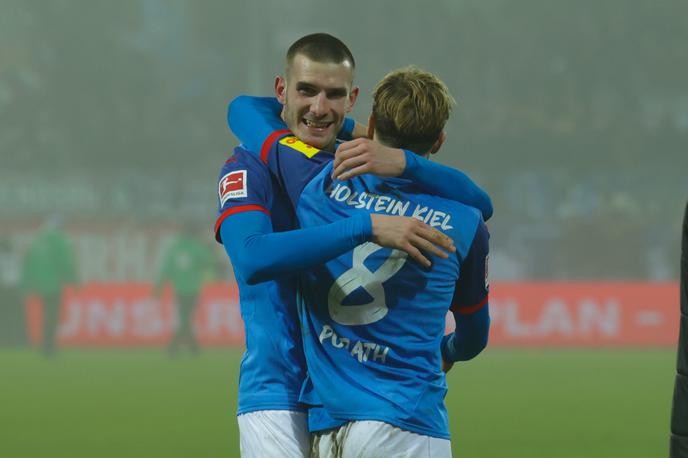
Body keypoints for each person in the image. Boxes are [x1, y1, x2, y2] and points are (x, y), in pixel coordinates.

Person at [217, 33, 491, 457]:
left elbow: (480, 202)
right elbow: (252, 256)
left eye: (334, 96)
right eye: (306, 91)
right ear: (281, 91)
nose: (319, 107)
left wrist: (398, 158)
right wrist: (367, 223)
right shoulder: (253, 165)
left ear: (353, 101)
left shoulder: (330, 176)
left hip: (334, 401)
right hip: (278, 392)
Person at [20, 216, 77, 357]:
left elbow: (28, 262)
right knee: (52, 316)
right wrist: (74, 279)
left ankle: (46, 346)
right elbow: (64, 260)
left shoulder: (37, 240)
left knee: (47, 315)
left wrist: (28, 283)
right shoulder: (57, 239)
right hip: (53, 284)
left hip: (40, 284)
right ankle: (50, 347)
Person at [155, 223, 216, 356]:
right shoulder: (197, 247)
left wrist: (159, 287)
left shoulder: (175, 248)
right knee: (186, 319)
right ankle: (186, 347)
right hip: (193, 289)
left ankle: (183, 347)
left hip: (179, 289)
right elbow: (209, 262)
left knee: (184, 319)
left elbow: (166, 268)